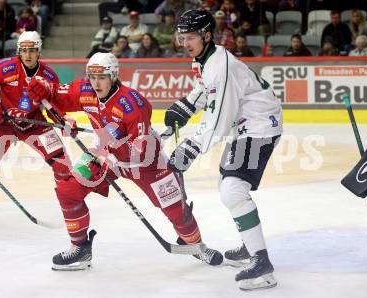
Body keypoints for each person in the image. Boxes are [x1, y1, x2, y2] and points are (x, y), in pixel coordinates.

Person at [27, 52, 224, 270]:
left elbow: (141, 152)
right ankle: (80, 249)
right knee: (68, 192)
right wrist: (42, 87)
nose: (95, 83)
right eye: (92, 77)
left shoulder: (132, 103)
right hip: (107, 155)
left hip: (147, 162)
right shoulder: (85, 91)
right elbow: (54, 94)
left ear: (113, 75)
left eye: (101, 77)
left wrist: (110, 152)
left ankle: (196, 245)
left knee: (176, 210)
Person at [0, 31, 94, 271]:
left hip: (33, 126)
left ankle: (72, 207)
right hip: (1, 126)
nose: (28, 54)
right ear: (19, 50)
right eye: (24, 50)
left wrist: (64, 121)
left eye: (33, 50)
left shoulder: (48, 75)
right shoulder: (3, 67)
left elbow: (56, 103)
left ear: (39, 51)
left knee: (63, 166)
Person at [164, 9, 282, 291]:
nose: (185, 43)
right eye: (182, 37)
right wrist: (185, 107)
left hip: (259, 127)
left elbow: (220, 116)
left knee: (232, 189)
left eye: (190, 37)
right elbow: (205, 90)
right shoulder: (205, 59)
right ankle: (250, 246)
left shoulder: (220, 65)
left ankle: (262, 265)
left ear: (206, 36)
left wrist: (192, 147)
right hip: (247, 127)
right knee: (228, 186)